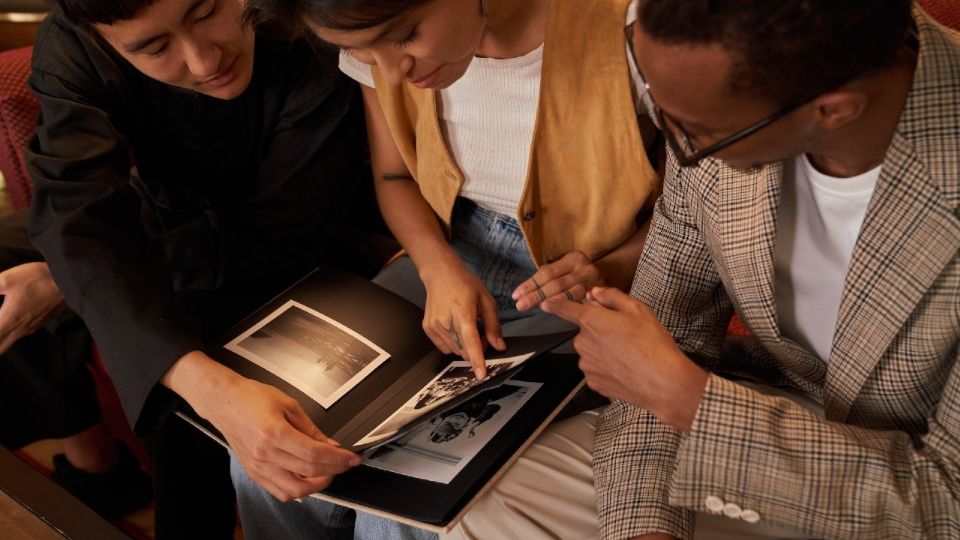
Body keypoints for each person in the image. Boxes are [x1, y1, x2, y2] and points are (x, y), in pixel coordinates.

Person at [229, 0, 660, 537]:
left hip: (591, 283)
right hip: (448, 252)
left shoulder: (628, 26)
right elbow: (393, 179)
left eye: (406, 34)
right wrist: (438, 269)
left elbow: (696, 210)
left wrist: (613, 266)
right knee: (274, 453)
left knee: (398, 512)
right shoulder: (370, 40)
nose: (390, 71)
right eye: (357, 52)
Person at [537, 1, 959, 538]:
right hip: (761, 405)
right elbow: (664, 343)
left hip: (913, 486)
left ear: (833, 109)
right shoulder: (710, 83)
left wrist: (686, 399)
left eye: (697, 130)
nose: (673, 139)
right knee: (489, 501)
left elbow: (946, 502)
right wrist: (647, 529)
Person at [23, 0, 390, 535]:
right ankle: (97, 466)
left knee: (174, 333)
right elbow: (73, 214)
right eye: (155, 48)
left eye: (208, 11)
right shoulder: (75, 39)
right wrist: (200, 380)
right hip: (167, 215)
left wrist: (67, 282)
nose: (201, 61)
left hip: (314, 230)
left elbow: (281, 229)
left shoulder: (307, 20)